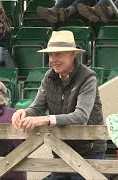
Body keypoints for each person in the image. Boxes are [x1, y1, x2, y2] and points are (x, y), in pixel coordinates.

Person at [12, 30, 107, 180]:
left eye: (58, 54)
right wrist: (24, 112)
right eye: (51, 55)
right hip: (59, 148)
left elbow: (81, 117)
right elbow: (37, 108)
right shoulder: (48, 77)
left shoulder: (88, 77)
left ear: (72, 55)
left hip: (88, 151)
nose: (53, 59)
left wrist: (47, 119)